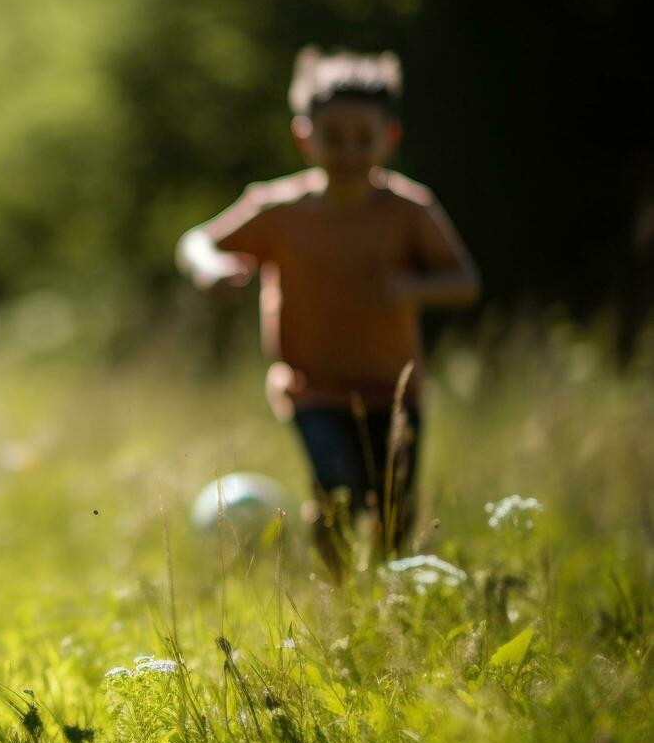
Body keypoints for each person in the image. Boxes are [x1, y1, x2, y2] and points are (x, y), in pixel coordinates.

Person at [177, 46, 479, 578]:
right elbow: (197, 240)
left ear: (389, 137)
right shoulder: (278, 210)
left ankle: (390, 604)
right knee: (338, 488)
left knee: (391, 512)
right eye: (332, 137)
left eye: (363, 138)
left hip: (395, 391)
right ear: (303, 135)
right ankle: (334, 596)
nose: (348, 151)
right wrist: (211, 269)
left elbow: (465, 282)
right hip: (310, 389)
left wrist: (408, 287)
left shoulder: (410, 209)